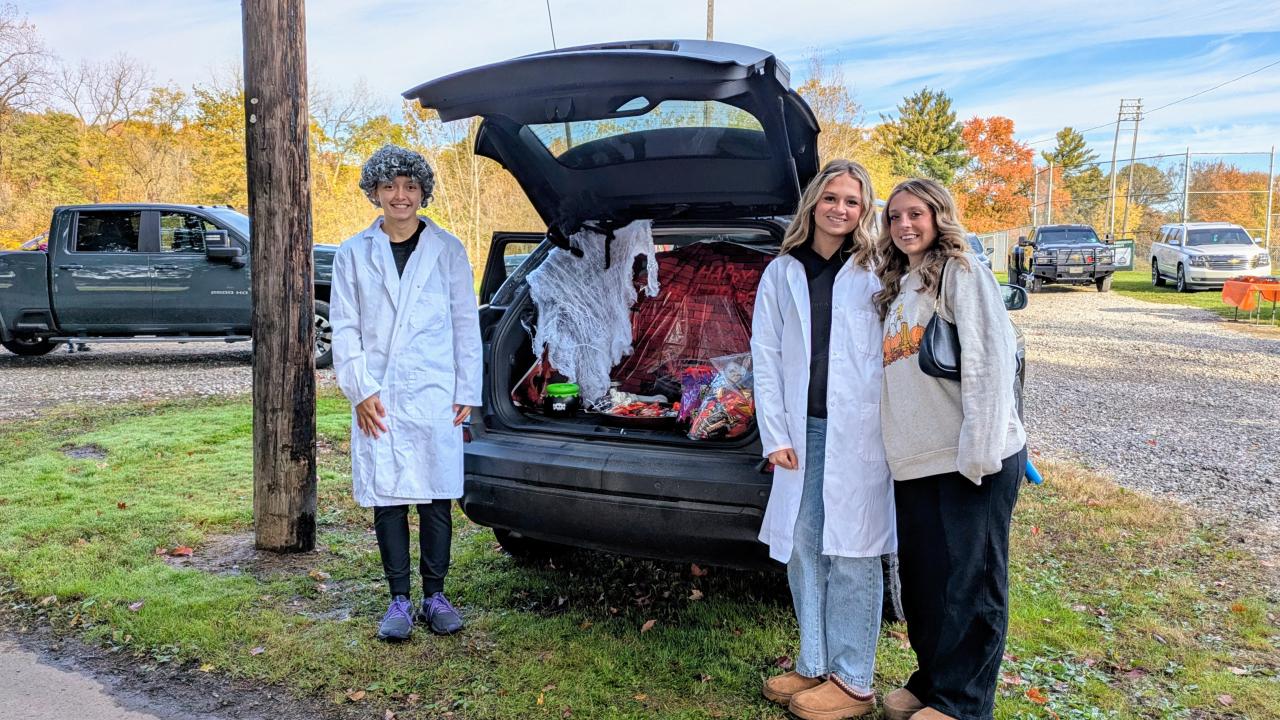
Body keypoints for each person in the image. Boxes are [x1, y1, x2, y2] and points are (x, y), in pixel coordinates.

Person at [872, 179, 1027, 720]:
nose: (904, 225)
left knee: (972, 584)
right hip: (917, 461)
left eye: (916, 214)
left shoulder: (961, 272)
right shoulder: (900, 285)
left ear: (939, 216)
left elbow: (990, 359)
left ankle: (962, 702)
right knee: (926, 583)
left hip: (969, 458)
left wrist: (980, 453)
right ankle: (932, 680)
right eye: (894, 217)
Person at [751, 159, 897, 720]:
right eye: (832, 197)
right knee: (804, 546)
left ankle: (854, 680)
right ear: (814, 201)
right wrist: (774, 434)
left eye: (853, 201)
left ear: (865, 210)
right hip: (803, 432)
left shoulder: (877, 268)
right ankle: (813, 662)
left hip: (860, 432)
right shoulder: (782, 271)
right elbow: (765, 356)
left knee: (854, 551)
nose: (841, 209)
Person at [330, 144, 482, 642]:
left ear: (423, 193)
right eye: (391, 186)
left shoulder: (448, 250)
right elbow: (345, 326)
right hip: (381, 393)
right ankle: (398, 598)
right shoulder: (353, 253)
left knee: (436, 495)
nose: (401, 196)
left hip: (437, 389)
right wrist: (360, 390)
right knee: (389, 495)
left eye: (411, 187)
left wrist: (467, 387)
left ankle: (435, 595)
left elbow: (465, 322)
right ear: (374, 191)